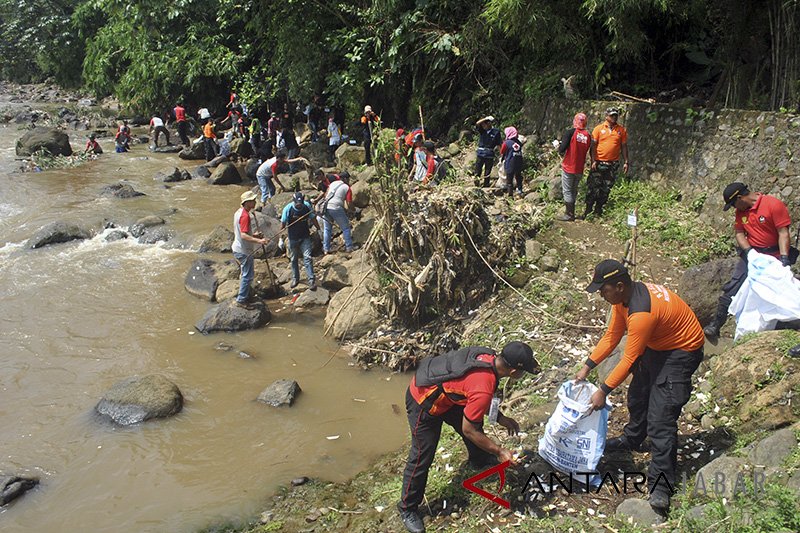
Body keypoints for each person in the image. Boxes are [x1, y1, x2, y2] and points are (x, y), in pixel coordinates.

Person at [575, 259, 704, 515]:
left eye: (603, 289)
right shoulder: (623, 301)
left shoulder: (641, 312)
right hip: (658, 346)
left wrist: (604, 390)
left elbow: (629, 358)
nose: (601, 294)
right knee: (638, 394)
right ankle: (633, 438)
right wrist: (588, 366)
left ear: (619, 286)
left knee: (661, 418)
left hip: (682, 351)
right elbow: (612, 337)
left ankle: (661, 486)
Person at [398, 342, 539, 533]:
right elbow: (469, 430)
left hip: (449, 397)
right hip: (424, 401)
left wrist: (501, 418)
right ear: (514, 371)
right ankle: (407, 508)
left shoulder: (489, 358)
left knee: (475, 419)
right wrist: (499, 451)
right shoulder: (483, 385)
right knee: (422, 456)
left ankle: (478, 458)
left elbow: (481, 398)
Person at [703, 183, 796, 338]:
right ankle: (716, 324)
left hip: (773, 256)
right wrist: (749, 252)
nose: (734, 208)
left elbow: (783, 233)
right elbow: (740, 233)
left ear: (740, 198)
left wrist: (784, 258)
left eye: (733, 204)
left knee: (777, 292)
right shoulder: (741, 212)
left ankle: (782, 325)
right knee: (733, 287)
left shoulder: (772, 205)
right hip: (752, 255)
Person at [586, 107, 629, 217]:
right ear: (606, 116)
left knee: (606, 188)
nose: (614, 117)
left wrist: (626, 162)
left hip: (612, 164)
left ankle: (598, 210)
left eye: (616, 115)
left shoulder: (621, 130)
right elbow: (593, 146)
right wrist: (593, 161)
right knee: (593, 187)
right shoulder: (598, 129)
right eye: (612, 115)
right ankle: (588, 209)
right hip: (599, 162)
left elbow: (623, 146)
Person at [232, 191, 268, 310]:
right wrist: (259, 241)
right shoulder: (245, 216)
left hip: (238, 247)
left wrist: (255, 235)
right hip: (243, 250)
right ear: (246, 203)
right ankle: (241, 300)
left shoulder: (239, 212)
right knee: (247, 275)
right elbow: (243, 235)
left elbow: (243, 232)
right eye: (252, 200)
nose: (254, 202)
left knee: (245, 273)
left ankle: (246, 295)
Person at [557, 112, 592, 221]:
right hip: (579, 167)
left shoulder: (570, 132)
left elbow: (562, 149)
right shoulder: (587, 135)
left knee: (567, 190)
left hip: (569, 166)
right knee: (574, 189)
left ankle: (569, 214)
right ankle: (572, 212)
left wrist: (558, 146)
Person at [281, 192, 320, 291]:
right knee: (294, 259)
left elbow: (313, 218)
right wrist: (281, 235)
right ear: (293, 201)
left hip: (305, 236)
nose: (299, 205)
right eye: (297, 203)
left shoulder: (306, 207)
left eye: (300, 203)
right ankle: (295, 278)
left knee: (307, 258)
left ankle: (311, 280)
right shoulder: (288, 209)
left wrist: (319, 228)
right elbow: (283, 223)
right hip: (293, 238)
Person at [321, 174, 355, 253]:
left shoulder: (332, 184)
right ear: (346, 179)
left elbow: (326, 195)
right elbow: (349, 203)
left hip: (326, 207)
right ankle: (349, 247)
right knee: (346, 228)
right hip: (336, 208)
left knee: (327, 229)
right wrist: (353, 210)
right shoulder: (347, 187)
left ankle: (326, 249)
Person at [475, 116, 502, 187]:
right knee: (478, 169)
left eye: (485, 124)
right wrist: (486, 119)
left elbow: (498, 144)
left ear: (489, 124)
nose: (483, 126)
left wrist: (502, 154)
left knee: (487, 170)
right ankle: (476, 182)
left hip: (489, 154)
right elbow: (477, 123)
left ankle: (486, 185)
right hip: (481, 153)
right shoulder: (482, 130)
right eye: (483, 125)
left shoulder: (496, 132)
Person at [499, 126, 524, 197]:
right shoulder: (519, 142)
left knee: (509, 179)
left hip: (510, 163)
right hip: (519, 163)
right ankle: (520, 190)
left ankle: (510, 194)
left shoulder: (506, 143)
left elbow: (502, 151)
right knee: (518, 177)